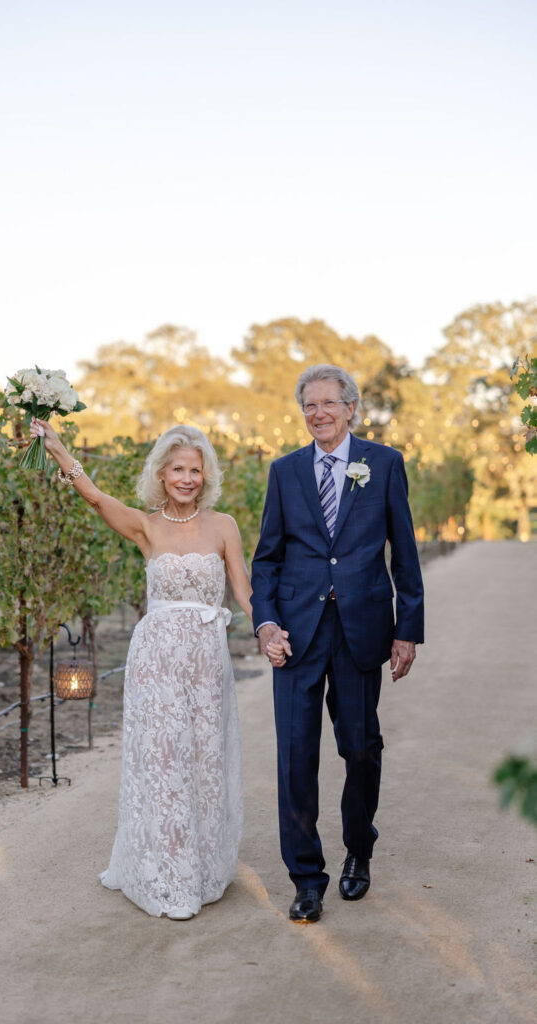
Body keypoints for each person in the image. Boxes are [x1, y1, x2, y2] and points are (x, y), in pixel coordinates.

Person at [30, 419, 272, 920]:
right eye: (178, 469)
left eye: (196, 471)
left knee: (204, 759)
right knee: (164, 759)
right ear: (161, 474)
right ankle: (172, 878)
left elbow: (245, 591)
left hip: (207, 661)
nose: (188, 478)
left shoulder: (223, 525)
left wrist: (267, 629)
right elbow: (95, 497)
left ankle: (203, 866)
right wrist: (57, 451)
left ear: (206, 477)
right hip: (157, 659)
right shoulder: (146, 524)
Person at [251, 364, 424, 924]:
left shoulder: (384, 463)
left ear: (351, 408)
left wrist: (407, 627)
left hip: (361, 630)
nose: (318, 414)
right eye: (309, 406)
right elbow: (267, 560)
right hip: (296, 637)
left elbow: (404, 551)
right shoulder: (284, 472)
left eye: (328, 403)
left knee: (360, 746)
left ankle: (359, 846)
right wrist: (266, 623)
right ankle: (306, 877)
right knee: (296, 757)